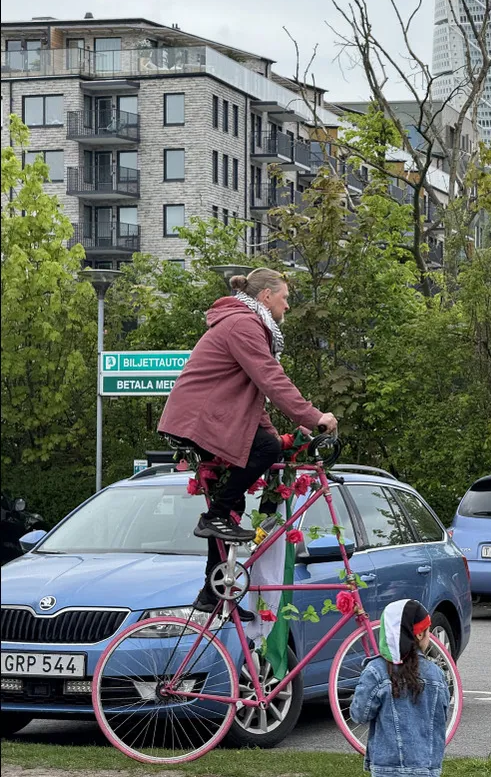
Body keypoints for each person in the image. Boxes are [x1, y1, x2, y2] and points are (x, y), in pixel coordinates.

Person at [158, 267, 337, 616]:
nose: (287, 306)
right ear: (266, 296)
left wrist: (280, 438)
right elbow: (270, 378)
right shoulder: (244, 324)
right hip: (201, 419)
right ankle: (215, 515)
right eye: (285, 298)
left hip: (212, 419)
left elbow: (252, 399)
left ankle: (214, 591)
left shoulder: (249, 323)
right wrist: (313, 417)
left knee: (238, 490)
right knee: (259, 458)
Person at [350, 599, 450, 777]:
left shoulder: (376, 671)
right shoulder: (436, 673)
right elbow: (442, 716)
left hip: (387, 768)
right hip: (427, 767)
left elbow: (359, 715)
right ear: (419, 635)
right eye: (428, 631)